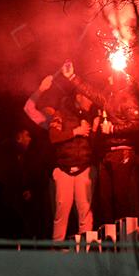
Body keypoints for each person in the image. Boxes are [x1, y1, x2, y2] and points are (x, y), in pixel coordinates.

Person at [62, 61, 139, 225]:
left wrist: (113, 129)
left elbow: (136, 122)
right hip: (108, 155)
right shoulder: (109, 97)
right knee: (105, 199)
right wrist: (72, 77)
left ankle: (125, 238)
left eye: (111, 76)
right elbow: (91, 92)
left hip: (123, 153)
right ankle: (111, 237)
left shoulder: (127, 98)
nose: (108, 78)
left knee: (120, 198)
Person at [39, 90, 98, 241]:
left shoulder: (90, 115)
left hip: (84, 168)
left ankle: (86, 249)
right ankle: (57, 250)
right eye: (88, 98)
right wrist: (75, 131)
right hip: (64, 168)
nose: (91, 102)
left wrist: (95, 130)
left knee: (85, 210)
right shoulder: (61, 114)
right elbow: (53, 136)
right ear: (78, 97)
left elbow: (93, 145)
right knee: (62, 211)